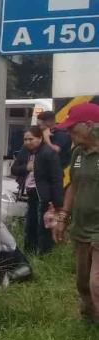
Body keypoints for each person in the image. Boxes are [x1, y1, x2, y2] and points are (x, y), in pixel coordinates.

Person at [53, 103, 99, 323]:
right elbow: (73, 186)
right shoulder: (77, 153)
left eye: (73, 128)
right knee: (82, 282)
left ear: (89, 125)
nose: (69, 133)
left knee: (96, 283)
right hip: (81, 228)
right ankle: (89, 319)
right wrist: (63, 217)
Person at [11, 126, 64, 254]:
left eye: (31, 139)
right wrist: (26, 167)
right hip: (30, 193)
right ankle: (29, 253)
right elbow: (14, 169)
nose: (28, 142)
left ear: (40, 138)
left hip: (44, 196)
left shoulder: (48, 153)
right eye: (25, 139)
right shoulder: (25, 151)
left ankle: (44, 255)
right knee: (30, 226)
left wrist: (58, 203)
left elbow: (57, 177)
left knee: (43, 227)